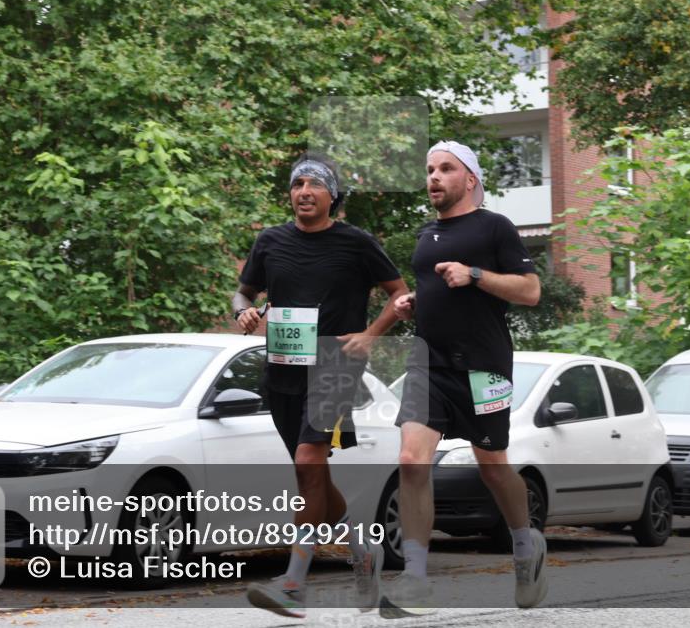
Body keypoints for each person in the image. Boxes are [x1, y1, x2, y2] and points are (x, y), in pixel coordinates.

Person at [233, 152, 408, 618]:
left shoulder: (356, 244)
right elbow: (243, 292)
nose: (303, 192)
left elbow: (401, 294)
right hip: (283, 368)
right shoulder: (270, 241)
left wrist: (371, 336)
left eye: (314, 184)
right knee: (309, 475)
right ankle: (364, 553)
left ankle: (292, 584)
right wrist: (242, 311)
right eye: (297, 184)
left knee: (310, 460)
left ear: (333, 195)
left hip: (333, 364)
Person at [380, 140, 545, 617]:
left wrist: (475, 274)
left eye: (445, 169)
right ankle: (414, 577)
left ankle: (524, 544)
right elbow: (437, 292)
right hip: (429, 362)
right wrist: (415, 304)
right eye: (430, 169)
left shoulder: (495, 226)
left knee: (492, 465)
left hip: (485, 364)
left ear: (469, 179)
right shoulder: (426, 233)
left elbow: (530, 291)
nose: (433, 177)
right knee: (412, 459)